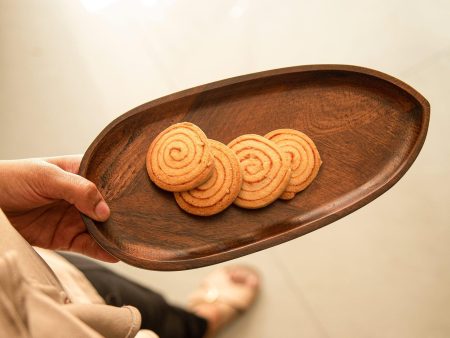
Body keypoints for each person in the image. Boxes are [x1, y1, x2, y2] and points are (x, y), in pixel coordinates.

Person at [0, 155, 260, 338]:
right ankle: (206, 319)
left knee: (152, 307)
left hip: (25, 260)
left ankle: (201, 322)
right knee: (134, 319)